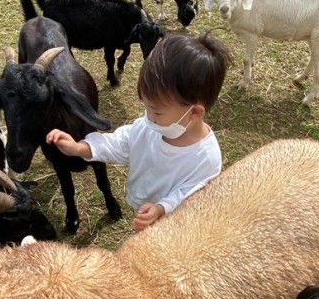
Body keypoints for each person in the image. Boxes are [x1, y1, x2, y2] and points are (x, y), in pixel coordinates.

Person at [46, 33, 232, 231]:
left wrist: (162, 208)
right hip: (145, 214)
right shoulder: (150, 126)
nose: (149, 116)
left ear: (194, 112)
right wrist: (81, 147)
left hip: (175, 226)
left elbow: (189, 192)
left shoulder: (206, 158)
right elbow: (122, 142)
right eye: (147, 107)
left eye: (157, 111)